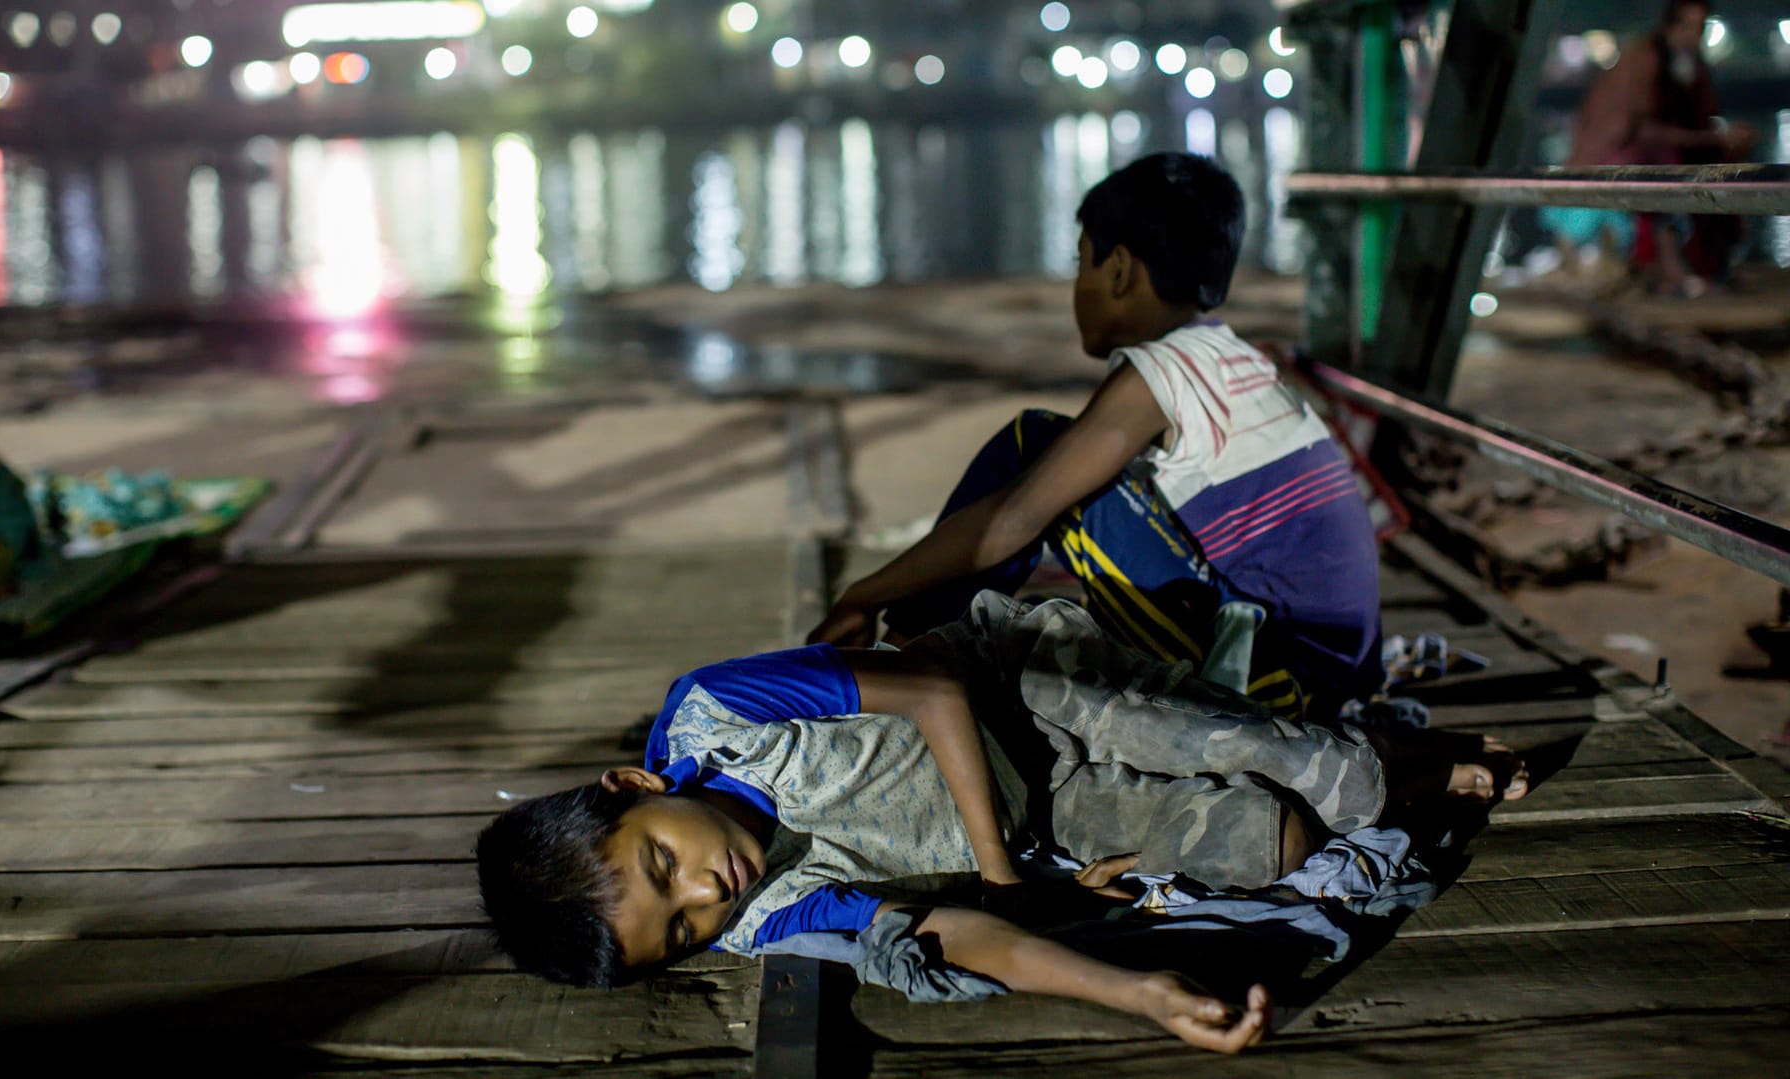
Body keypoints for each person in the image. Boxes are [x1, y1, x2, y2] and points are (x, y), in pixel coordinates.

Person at [476, 592, 1526, 1054]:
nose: (710, 894)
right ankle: (1389, 768)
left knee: (1299, 762)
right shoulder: (769, 913)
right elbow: (939, 939)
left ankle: (1408, 757)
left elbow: (932, 690)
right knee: (1275, 845)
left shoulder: (717, 713)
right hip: (1050, 815)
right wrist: (1134, 988)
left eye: (666, 863)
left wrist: (992, 866)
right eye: (687, 929)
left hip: (1026, 685)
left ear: (629, 783)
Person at [808, 153, 1382, 722]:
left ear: (1120, 270)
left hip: (1265, 684)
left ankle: (905, 658)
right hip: (1328, 679)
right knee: (1053, 527)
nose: (1078, 285)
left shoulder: (1163, 371)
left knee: (1037, 448)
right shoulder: (1235, 360)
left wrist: (866, 592)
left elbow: (1014, 518)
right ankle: (915, 654)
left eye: (1081, 262)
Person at [1555, 0, 1758, 293]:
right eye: (1687, 25)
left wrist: (1723, 137)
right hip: (1618, 155)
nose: (1694, 34)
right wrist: (1708, 137)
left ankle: (1711, 266)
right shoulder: (1645, 59)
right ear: (1670, 25)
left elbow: (1701, 114)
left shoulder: (1689, 63)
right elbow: (1636, 127)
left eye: (1700, 27)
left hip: (1661, 148)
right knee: (1664, 174)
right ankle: (1670, 269)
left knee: (1716, 166)